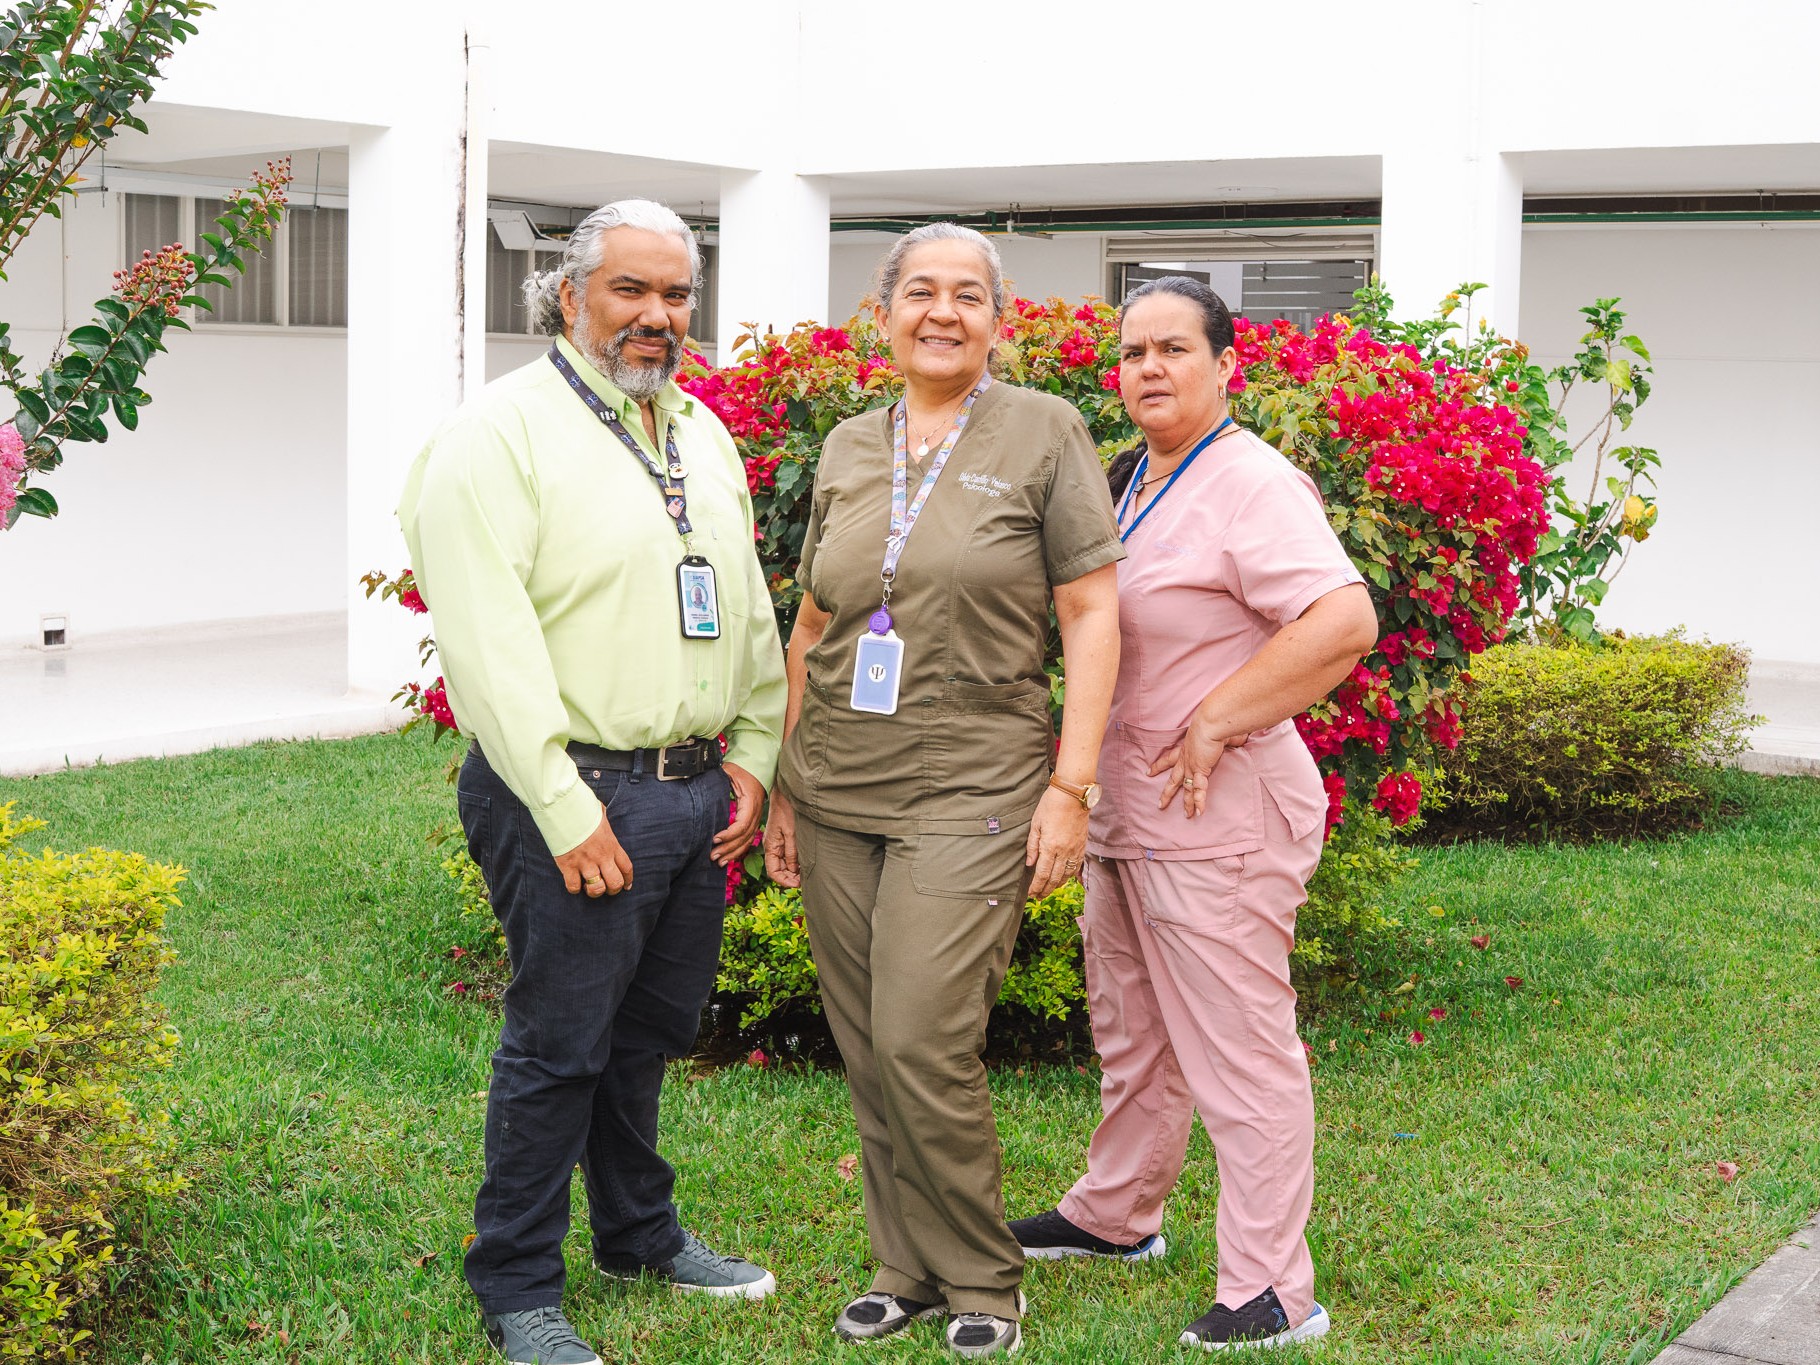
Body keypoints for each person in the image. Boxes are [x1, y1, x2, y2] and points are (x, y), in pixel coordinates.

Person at [398, 199, 787, 1365]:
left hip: (690, 795)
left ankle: (639, 1234)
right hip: (567, 792)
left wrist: (754, 761)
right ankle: (517, 1284)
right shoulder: (496, 434)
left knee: (647, 1035)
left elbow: (748, 610)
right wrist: (564, 809)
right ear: (570, 297)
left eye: (675, 295)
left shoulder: (698, 433)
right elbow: (486, 640)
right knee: (558, 1044)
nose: (657, 316)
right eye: (631, 291)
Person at [762, 223, 1123, 1358]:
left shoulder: (1042, 432)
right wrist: (780, 781)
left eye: (967, 295)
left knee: (922, 1032)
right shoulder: (846, 446)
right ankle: (901, 1263)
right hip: (834, 787)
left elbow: (1090, 613)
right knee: (865, 1040)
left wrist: (1070, 787)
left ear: (997, 322)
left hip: (972, 781)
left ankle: (980, 1275)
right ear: (883, 316)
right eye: (920, 291)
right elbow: (815, 620)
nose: (942, 312)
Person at [1007, 277, 1378, 1353]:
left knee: (1238, 1053)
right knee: (1135, 1035)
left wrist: (1218, 718)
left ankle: (1273, 1289)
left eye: (1173, 349)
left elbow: (1341, 618)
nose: (1147, 370)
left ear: (1226, 365)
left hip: (1219, 818)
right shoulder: (1135, 479)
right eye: (1130, 354)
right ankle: (1116, 1216)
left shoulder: (1249, 482)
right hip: (1131, 810)